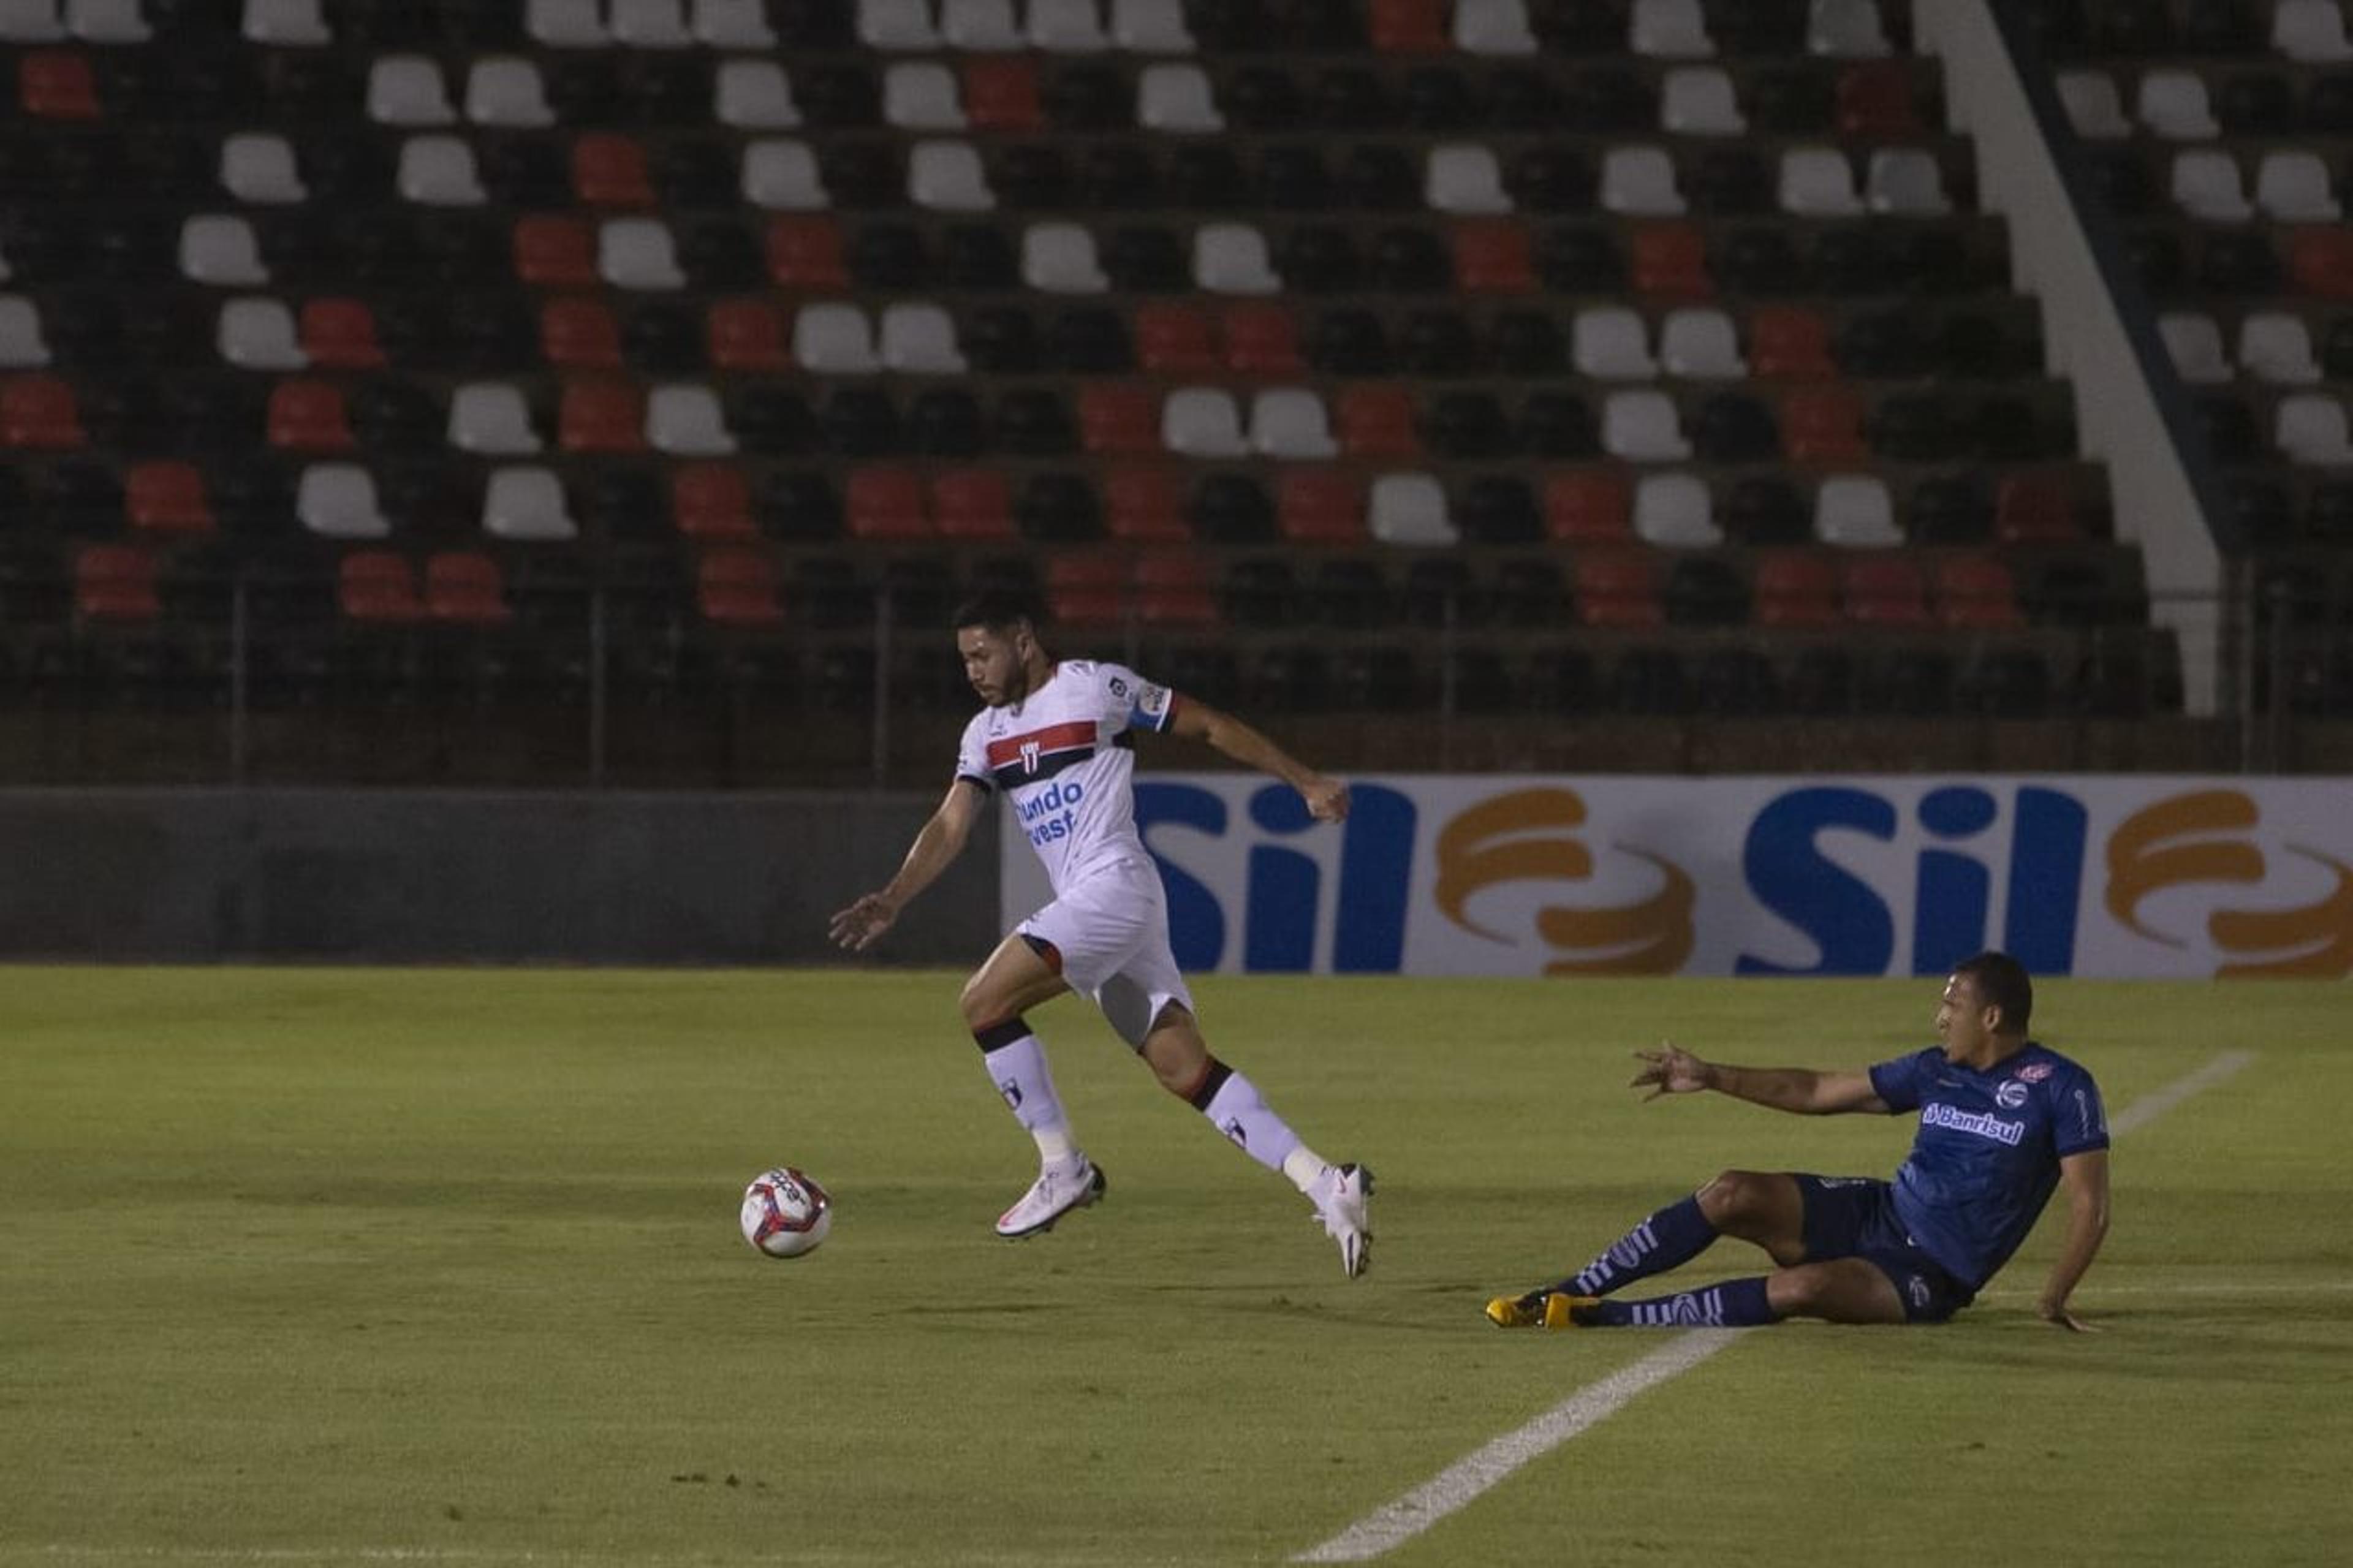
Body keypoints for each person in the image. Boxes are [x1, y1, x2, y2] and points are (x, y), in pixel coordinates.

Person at [829, 590, 1375, 1277]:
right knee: (1184, 1068)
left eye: (980, 653)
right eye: (963, 659)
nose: (971, 670)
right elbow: (949, 824)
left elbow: (1205, 725)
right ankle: (1326, 1182)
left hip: (1113, 886)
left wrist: (1303, 780)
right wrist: (894, 896)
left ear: (1022, 641)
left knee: (983, 1003)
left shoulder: (1097, 687)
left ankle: (1063, 1167)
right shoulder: (985, 733)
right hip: (1108, 904)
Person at [1486, 952, 2109, 1330]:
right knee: (1731, 1191)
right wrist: (1712, 1076)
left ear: (1992, 1018)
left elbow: (2090, 1205)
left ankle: (1603, 1319)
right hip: (1881, 1212)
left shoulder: (2061, 1087)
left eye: (1953, 1005)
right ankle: (1562, 1293)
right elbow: (1815, 1091)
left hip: (1932, 1272)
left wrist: (2054, 1296)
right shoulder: (1933, 1069)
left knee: (1804, 1289)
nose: (1940, 1017)